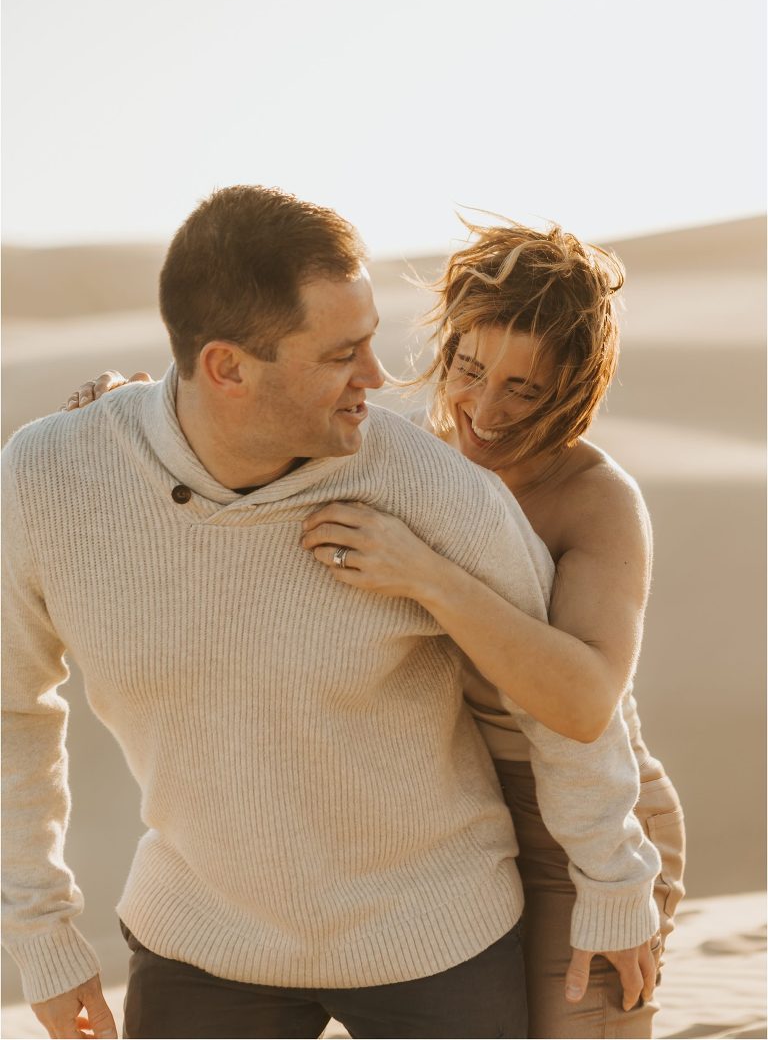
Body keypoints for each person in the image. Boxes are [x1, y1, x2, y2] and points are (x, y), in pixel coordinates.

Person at [4, 186, 660, 1040]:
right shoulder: (49, 478)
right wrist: (41, 934)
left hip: (453, 908)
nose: (379, 377)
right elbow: (11, 708)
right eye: (343, 352)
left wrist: (615, 882)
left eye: (372, 340)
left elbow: (575, 708)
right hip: (203, 931)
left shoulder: (463, 489)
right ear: (226, 368)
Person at [297, 217, 686, 1038]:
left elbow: (582, 701)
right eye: (470, 368)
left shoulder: (597, 500)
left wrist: (426, 574)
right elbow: (262, 437)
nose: (484, 407)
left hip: (590, 835)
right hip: (458, 831)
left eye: (526, 388)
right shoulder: (416, 462)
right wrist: (132, 404)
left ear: (574, 389)